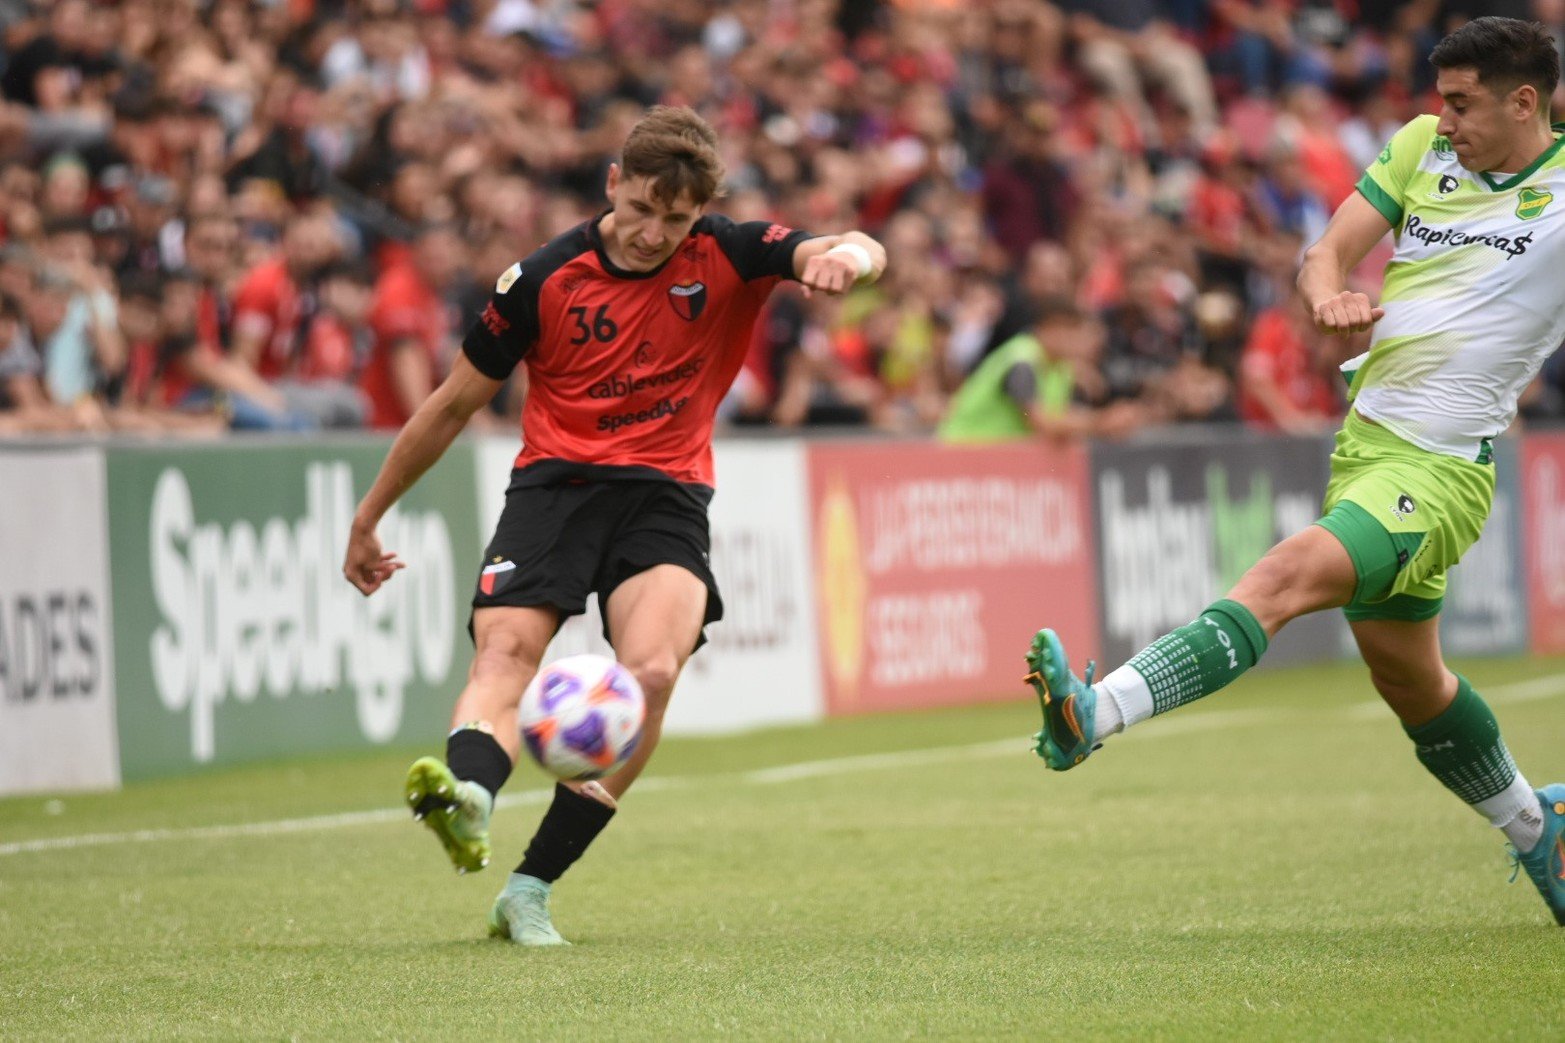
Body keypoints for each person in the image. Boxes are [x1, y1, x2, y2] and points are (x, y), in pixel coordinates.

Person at [1024, 16, 1565, 925]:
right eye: (1441, 100)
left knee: (1279, 577)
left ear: (1524, 101)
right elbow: (1323, 254)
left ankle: (1093, 711)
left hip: (1440, 471)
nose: (1446, 119)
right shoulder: (1420, 147)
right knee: (1411, 683)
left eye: (1463, 103)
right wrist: (1327, 298)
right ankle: (1537, 831)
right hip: (1366, 444)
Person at [342, 106, 886, 945]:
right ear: (612, 184)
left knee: (653, 671)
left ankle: (529, 889)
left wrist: (846, 256)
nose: (651, 233)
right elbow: (450, 404)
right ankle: (470, 798)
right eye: (638, 209)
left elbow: (836, 244)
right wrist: (369, 516)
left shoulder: (728, 252)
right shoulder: (542, 280)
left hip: (663, 495)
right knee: (505, 655)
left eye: (674, 219)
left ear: (698, 211)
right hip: (553, 490)